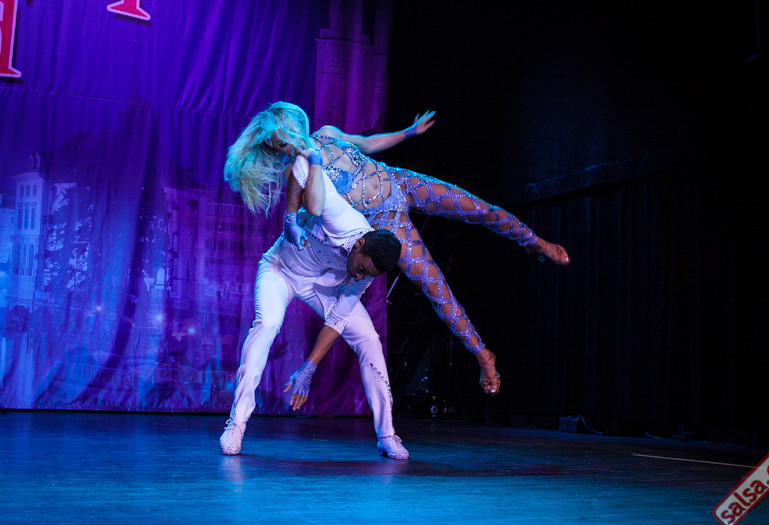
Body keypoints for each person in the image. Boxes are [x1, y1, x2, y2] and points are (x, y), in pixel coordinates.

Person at [224, 102, 570, 397]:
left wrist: (409, 132)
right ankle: (484, 355)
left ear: (292, 125)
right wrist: (298, 200)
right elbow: (312, 208)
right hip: (387, 225)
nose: (285, 149)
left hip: (400, 182)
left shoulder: (327, 134)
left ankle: (533, 241)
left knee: (479, 208)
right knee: (436, 288)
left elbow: (367, 143)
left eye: (283, 141)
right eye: (278, 148)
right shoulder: (300, 171)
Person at [219, 147, 409, 459]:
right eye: (362, 267)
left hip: (319, 286)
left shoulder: (367, 271)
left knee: (369, 339)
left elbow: (338, 320)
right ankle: (237, 424)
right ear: (359, 244)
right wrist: (290, 218)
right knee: (267, 324)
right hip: (280, 270)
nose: (361, 275)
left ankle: (387, 435)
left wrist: (309, 367)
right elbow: (301, 164)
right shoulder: (339, 215)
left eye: (368, 275)